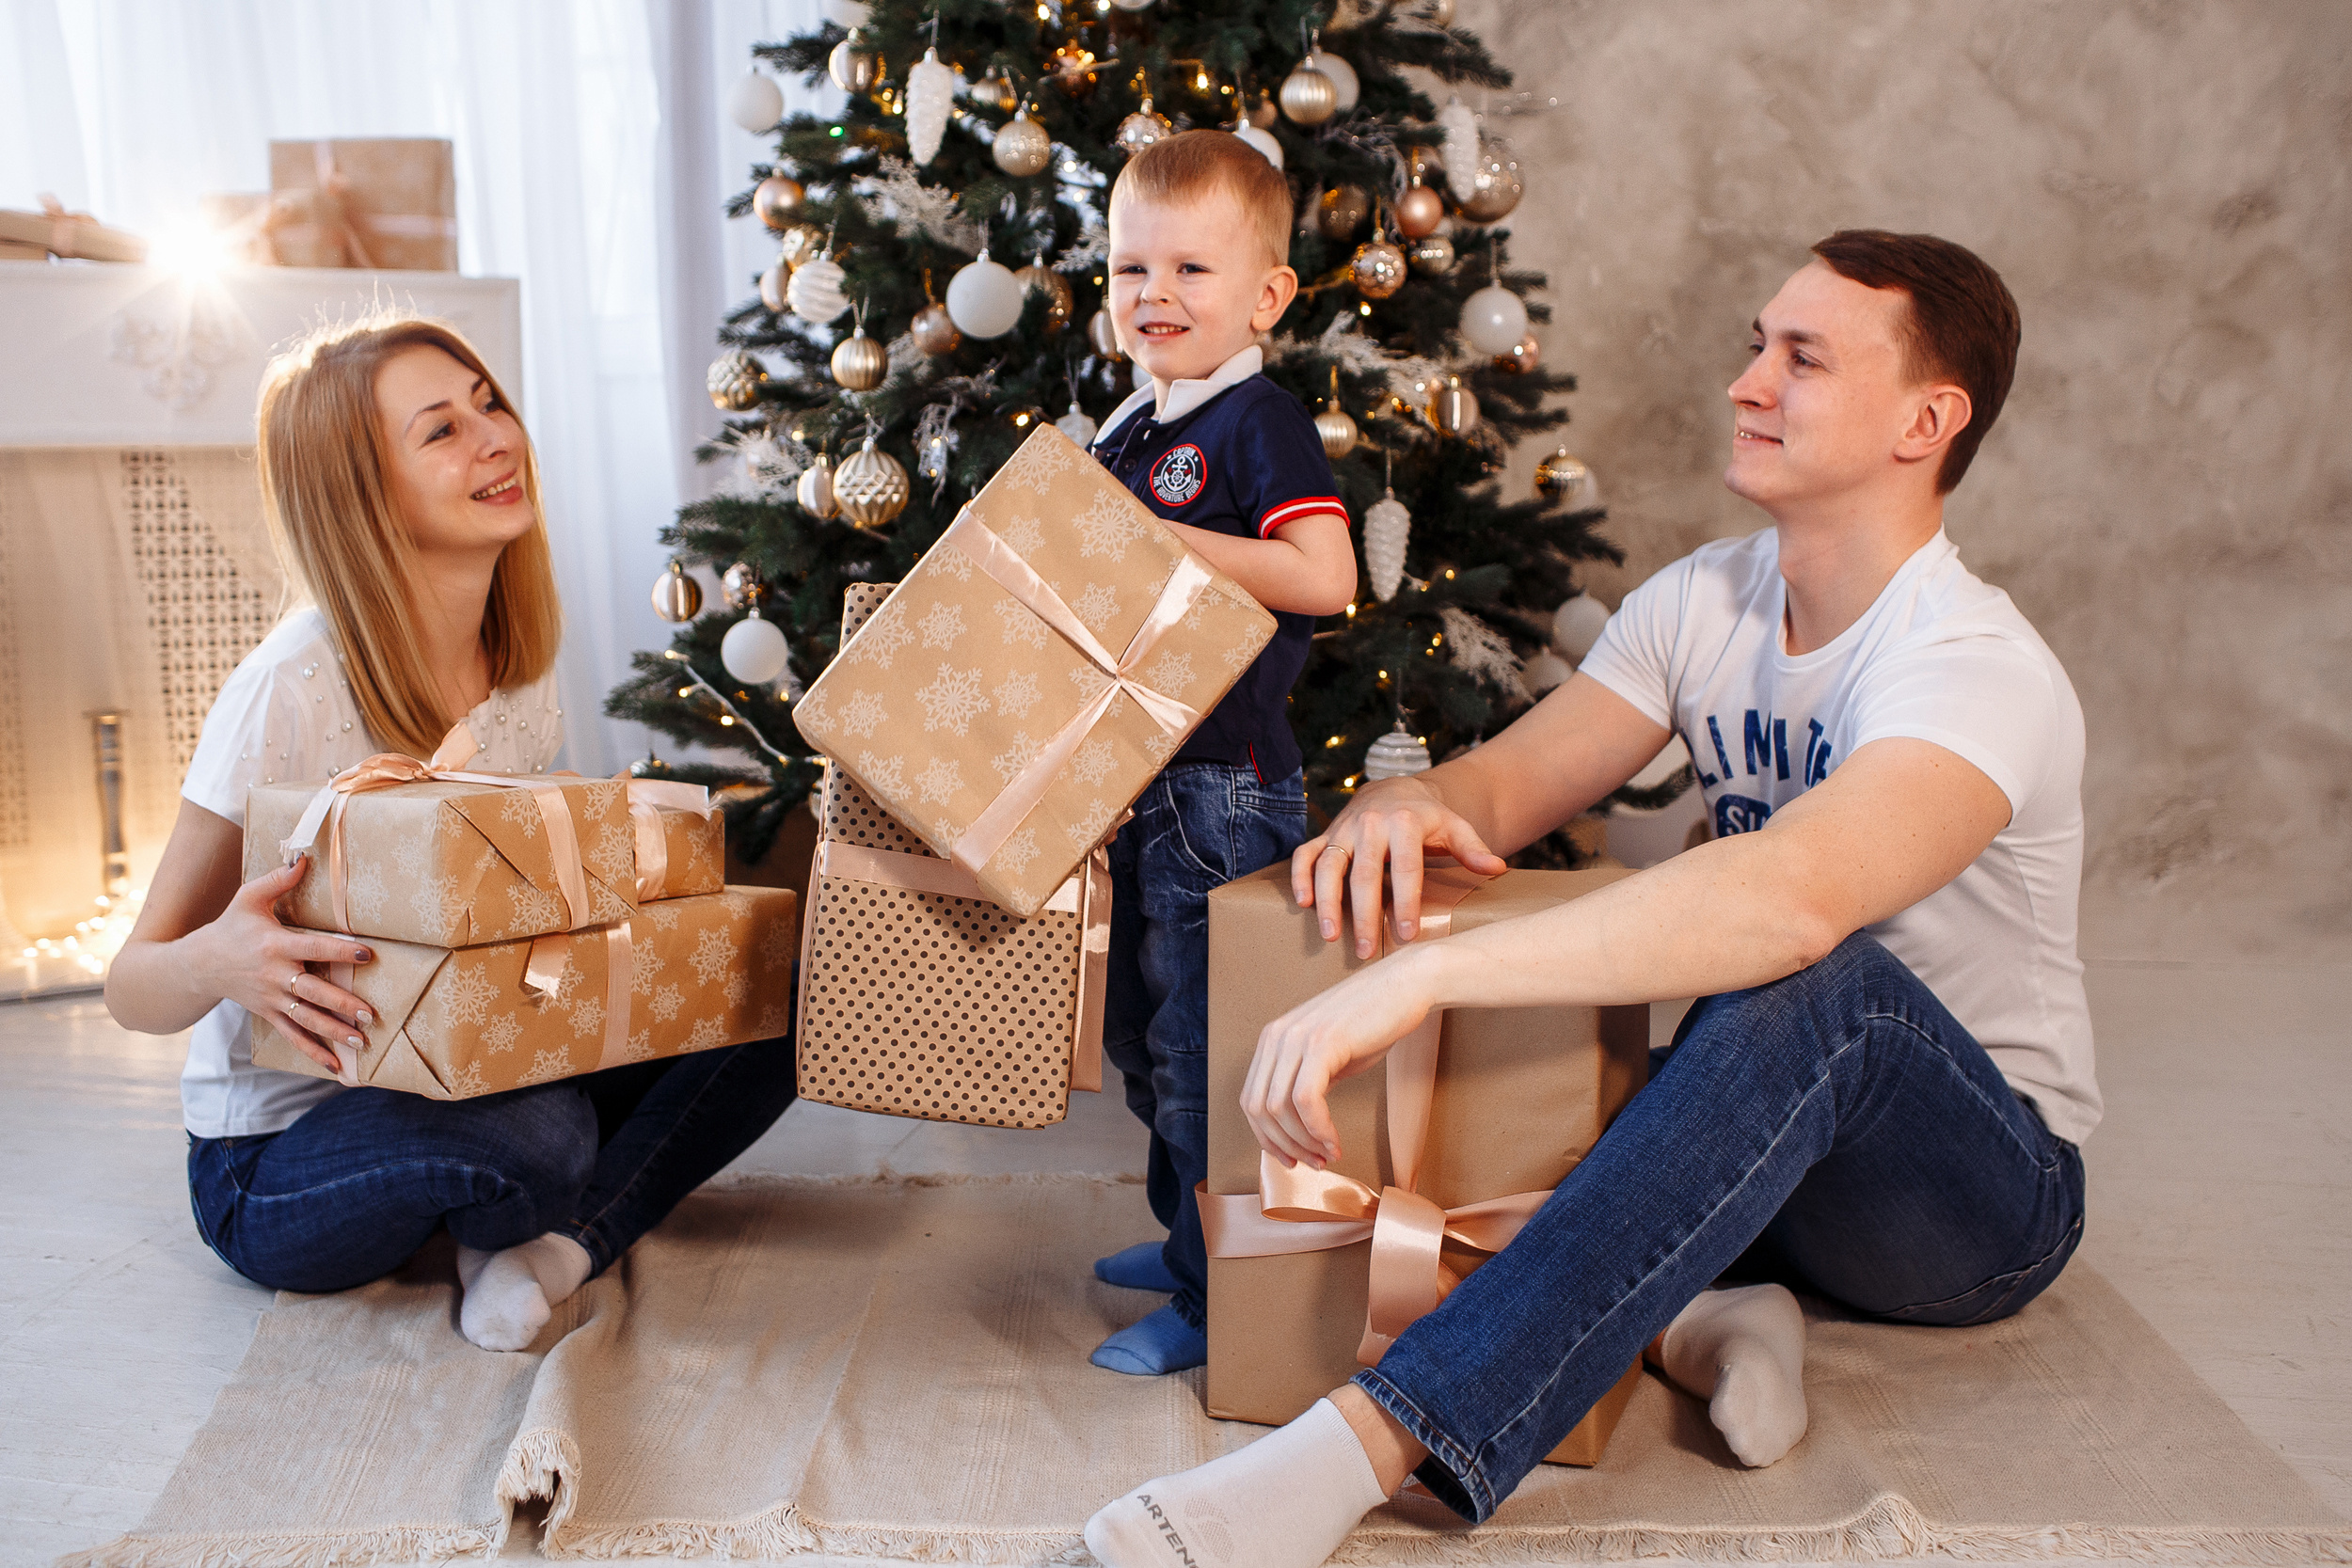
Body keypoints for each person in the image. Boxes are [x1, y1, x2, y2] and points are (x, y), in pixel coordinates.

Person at [1086, 230, 2094, 1566]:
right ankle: (1714, 1311)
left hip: (1973, 1197)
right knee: (1552, 1059)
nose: (1747, 382)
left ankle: (1363, 1450)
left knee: (1815, 979)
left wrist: (1419, 973)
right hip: (1760, 1129)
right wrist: (1410, 801)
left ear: (1928, 418)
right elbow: (1500, 791)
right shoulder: (1706, 600)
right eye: (1756, 345)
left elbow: (1792, 898)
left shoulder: (1972, 663)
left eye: (1801, 358)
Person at [104, 316, 798, 1353]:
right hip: (281, 1154)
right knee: (538, 1132)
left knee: (780, 986)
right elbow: (132, 984)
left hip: (478, 1060)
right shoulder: (287, 692)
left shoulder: (513, 667)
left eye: (489, 403)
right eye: (440, 430)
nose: (494, 437)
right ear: (363, 493)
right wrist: (225, 956)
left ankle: (552, 1247)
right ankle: (520, 1201)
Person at [1082, 131, 1359, 1375]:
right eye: (1131, 266)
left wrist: (1159, 544)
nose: (1156, 294)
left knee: (1205, 1047)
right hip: (1138, 772)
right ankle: (1180, 1227)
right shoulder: (1129, 424)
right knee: (1140, 1033)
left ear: (1264, 296)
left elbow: (1323, 574)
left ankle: (1213, 1298)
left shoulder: (1257, 422)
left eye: (1192, 268)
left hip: (1223, 785)